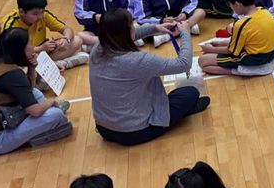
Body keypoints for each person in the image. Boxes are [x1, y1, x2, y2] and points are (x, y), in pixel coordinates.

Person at [81, 10, 207, 145]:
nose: (134, 27)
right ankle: (181, 113)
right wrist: (185, 33)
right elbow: (183, 64)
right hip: (136, 132)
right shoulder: (137, 60)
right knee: (190, 93)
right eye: (132, 25)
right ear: (127, 31)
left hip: (104, 129)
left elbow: (123, 36)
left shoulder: (97, 49)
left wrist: (155, 28)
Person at [0, 28, 73, 156]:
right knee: (56, 115)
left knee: (35, 93)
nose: (34, 48)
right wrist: (51, 102)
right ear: (20, 49)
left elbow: (28, 90)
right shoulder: (13, 74)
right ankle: (38, 133)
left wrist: (31, 68)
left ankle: (40, 125)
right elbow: (35, 111)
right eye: (30, 44)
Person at [199, 0, 274, 75]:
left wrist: (210, 49)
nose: (231, 7)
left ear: (237, 4)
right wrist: (219, 43)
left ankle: (243, 70)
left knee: (203, 61)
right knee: (211, 55)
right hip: (272, 52)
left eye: (230, 4)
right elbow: (244, 40)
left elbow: (231, 51)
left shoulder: (242, 24)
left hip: (256, 58)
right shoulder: (264, 11)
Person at [4, 0, 87, 66]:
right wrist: (40, 49)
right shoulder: (11, 25)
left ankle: (51, 65)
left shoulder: (44, 15)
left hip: (42, 50)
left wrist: (66, 39)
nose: (40, 17)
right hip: (24, 56)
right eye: (35, 14)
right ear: (22, 11)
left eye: (42, 12)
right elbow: (14, 51)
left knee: (77, 40)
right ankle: (60, 64)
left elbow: (67, 29)